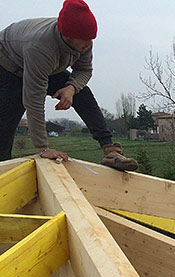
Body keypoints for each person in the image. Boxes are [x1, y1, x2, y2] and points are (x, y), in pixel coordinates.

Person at [0, 0, 137, 171]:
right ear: (68, 36)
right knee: (4, 129)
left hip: (43, 65)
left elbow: (84, 70)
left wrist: (71, 88)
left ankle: (110, 150)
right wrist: (43, 149)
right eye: (85, 40)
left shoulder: (84, 41)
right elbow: (34, 99)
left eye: (91, 39)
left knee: (82, 93)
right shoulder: (41, 47)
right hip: (8, 67)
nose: (89, 44)